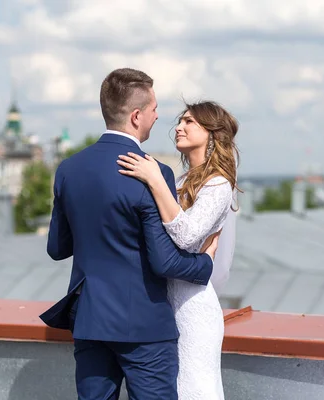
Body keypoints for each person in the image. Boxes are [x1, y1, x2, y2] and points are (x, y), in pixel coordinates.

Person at [40, 68, 220, 400]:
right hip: (144, 325)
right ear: (136, 116)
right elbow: (164, 261)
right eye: (153, 109)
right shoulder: (153, 172)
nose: (157, 116)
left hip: (90, 321)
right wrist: (205, 264)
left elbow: (57, 248)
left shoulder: (68, 169)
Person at [117, 100, 239, 399]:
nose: (179, 127)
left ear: (212, 133)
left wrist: (155, 179)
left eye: (190, 122)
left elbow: (185, 236)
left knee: (194, 390)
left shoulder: (219, 185)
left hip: (195, 306)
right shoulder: (181, 180)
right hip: (164, 304)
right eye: (180, 121)